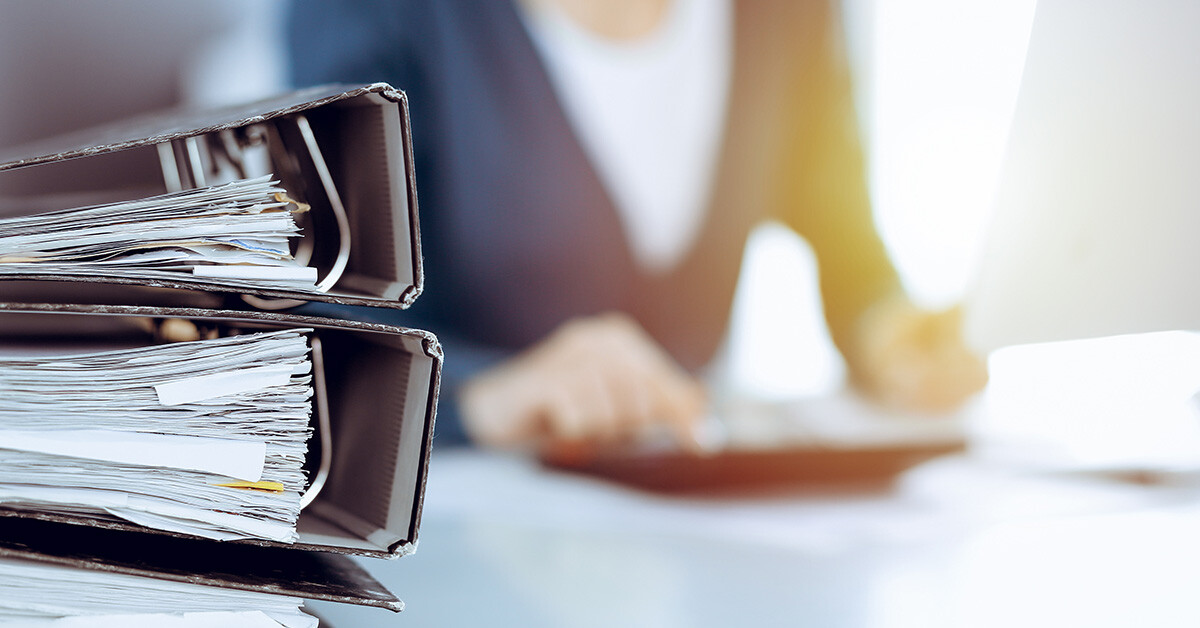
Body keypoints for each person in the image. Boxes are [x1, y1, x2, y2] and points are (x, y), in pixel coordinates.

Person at [287, 0, 987, 449]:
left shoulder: (786, 14)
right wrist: (480, 395)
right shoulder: (373, 13)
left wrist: (895, 338)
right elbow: (324, 328)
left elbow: (849, 253)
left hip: (693, 512)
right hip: (470, 520)